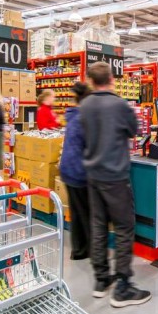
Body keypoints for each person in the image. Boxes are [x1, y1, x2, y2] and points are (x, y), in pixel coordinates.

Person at [80, 62, 151, 308]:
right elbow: (134, 131)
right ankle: (123, 287)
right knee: (123, 227)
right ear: (111, 80)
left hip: (93, 175)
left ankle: (101, 280)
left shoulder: (84, 105)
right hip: (115, 176)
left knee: (98, 225)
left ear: (91, 81)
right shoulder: (120, 105)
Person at [59, 82, 92, 260]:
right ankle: (87, 250)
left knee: (77, 211)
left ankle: (78, 250)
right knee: (85, 212)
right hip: (79, 171)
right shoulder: (85, 118)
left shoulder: (72, 115)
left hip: (68, 169)